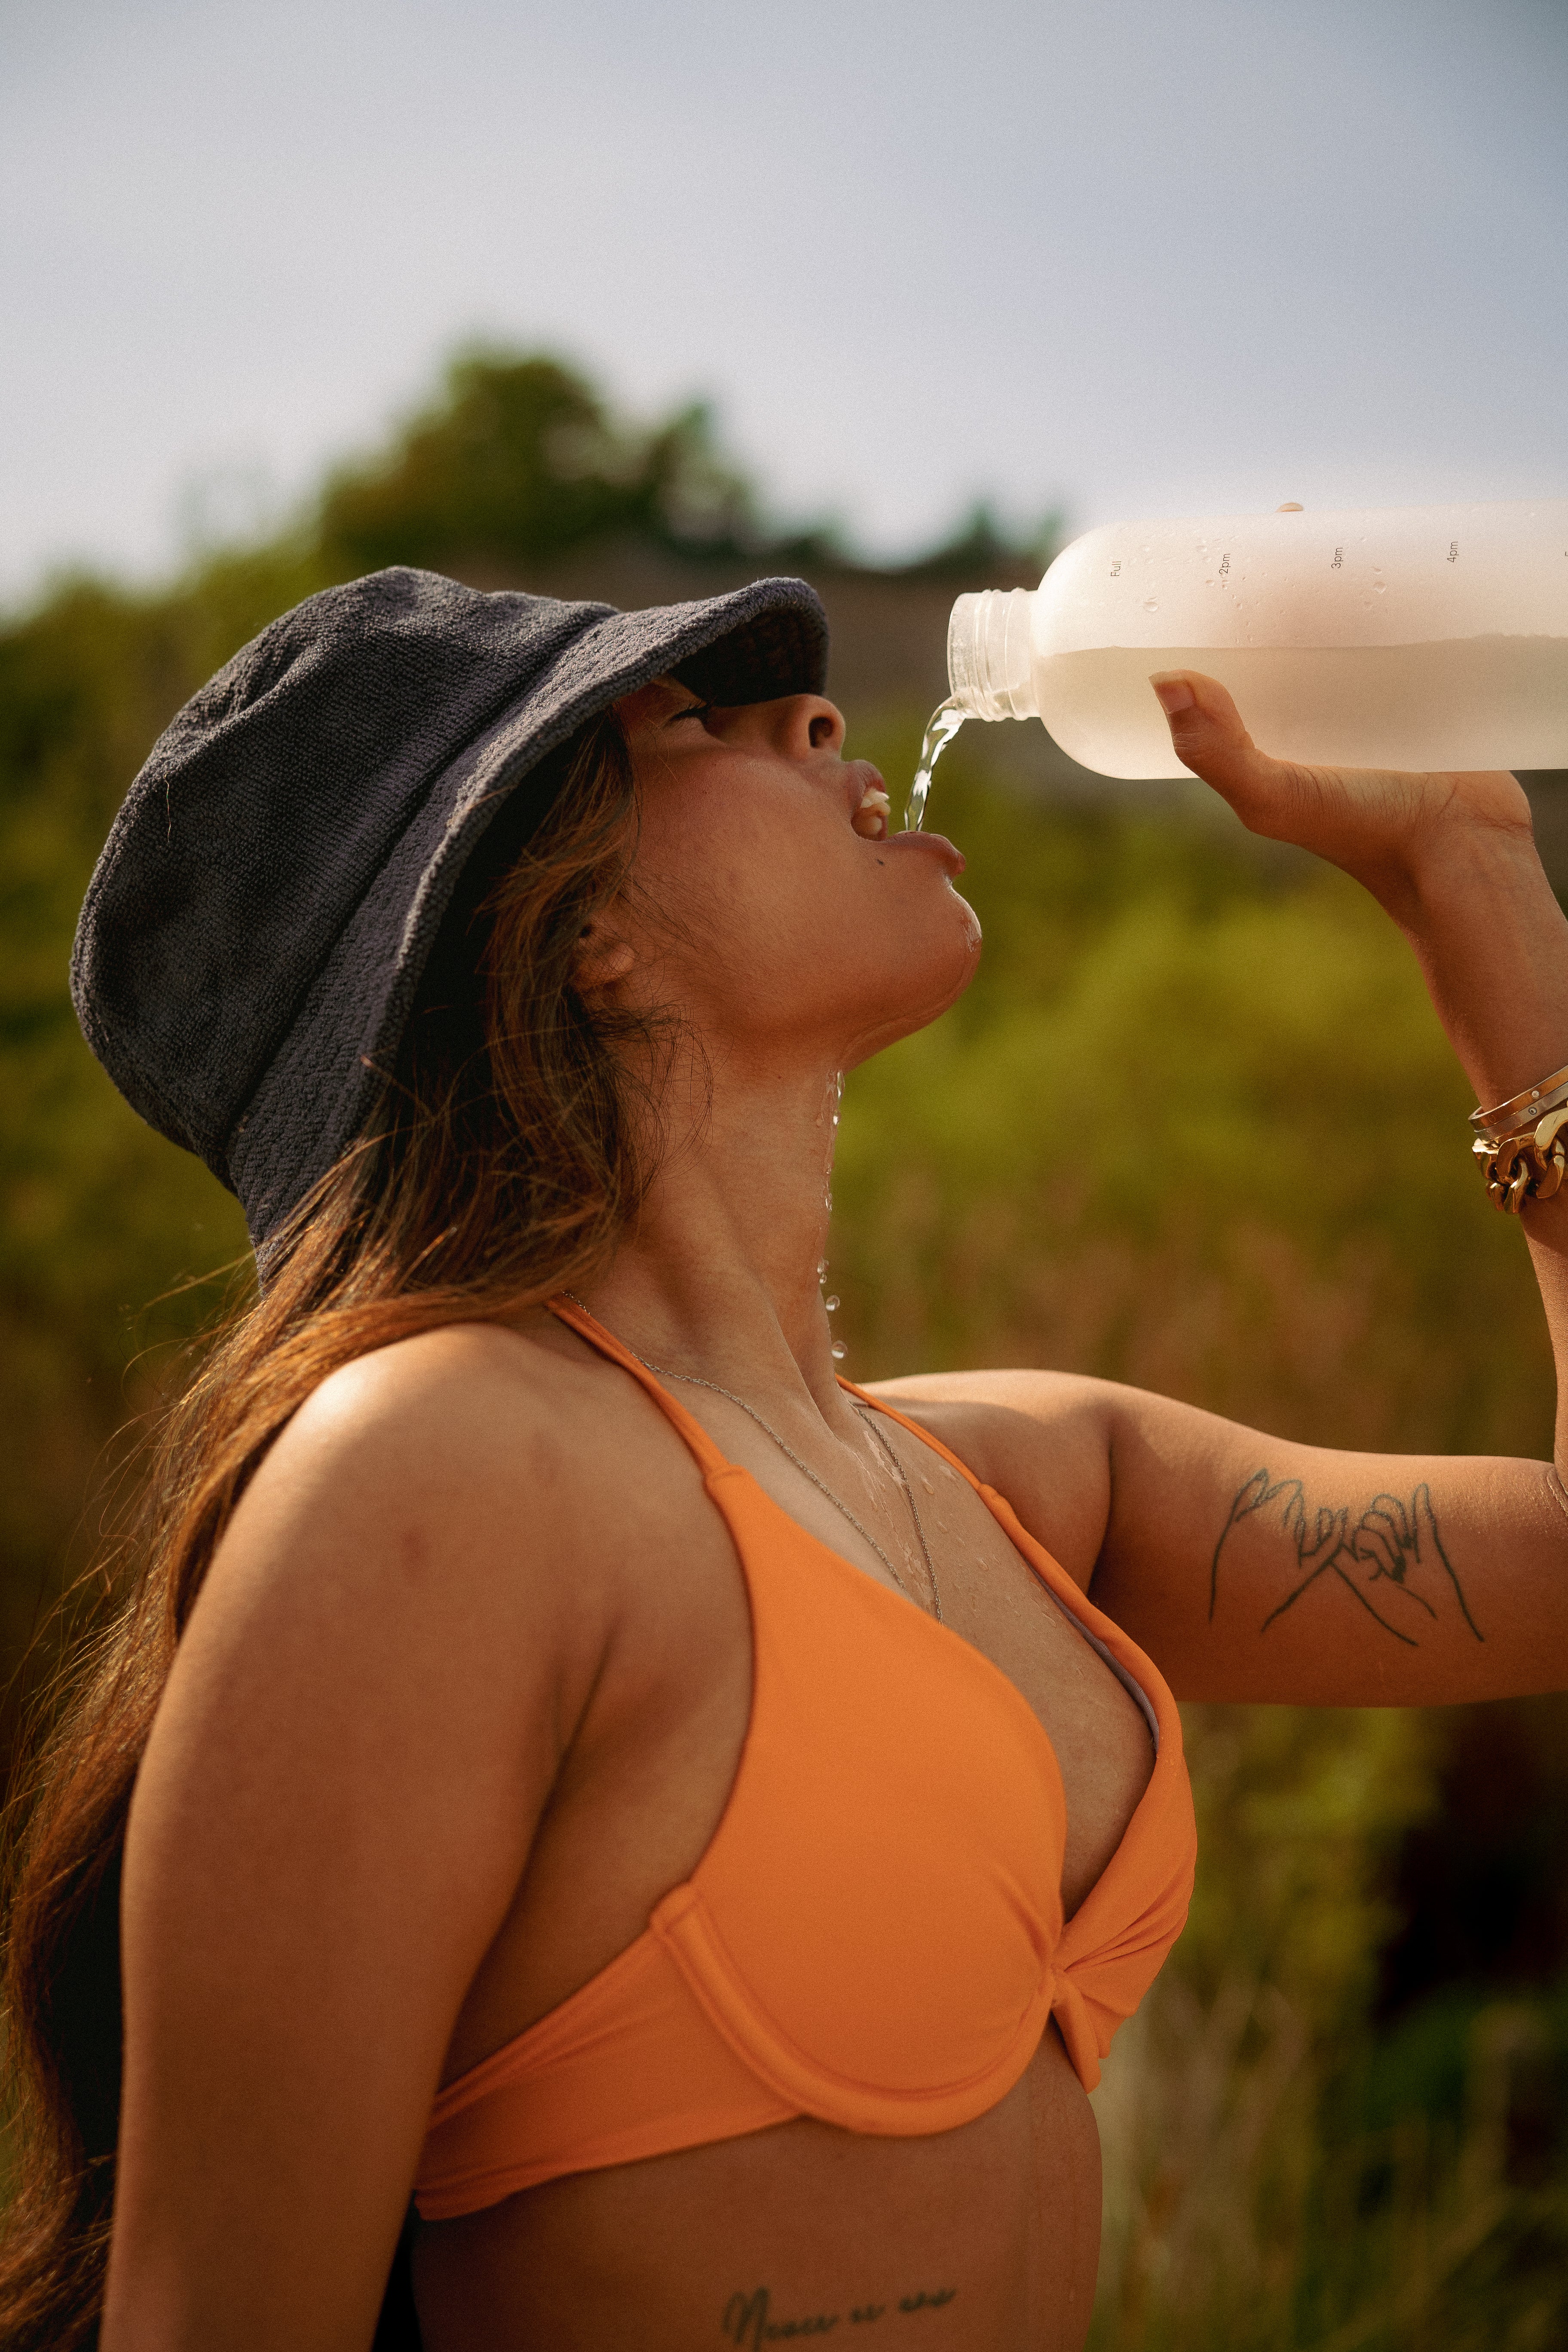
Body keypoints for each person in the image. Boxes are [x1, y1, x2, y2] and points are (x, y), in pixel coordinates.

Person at [3, 562, 1567, 2352]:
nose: (821, 719)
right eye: (693, 722)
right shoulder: (436, 1471)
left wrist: (1476, 880)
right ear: (567, 924)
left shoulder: (1013, 1483)